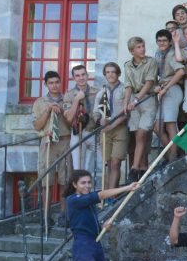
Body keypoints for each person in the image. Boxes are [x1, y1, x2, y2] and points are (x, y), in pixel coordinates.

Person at [33, 71, 73, 217]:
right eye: (51, 83)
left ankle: (64, 214)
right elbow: (37, 126)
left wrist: (62, 110)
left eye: (57, 82)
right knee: (46, 181)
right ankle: (46, 216)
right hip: (48, 142)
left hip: (64, 140)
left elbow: (72, 123)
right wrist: (48, 110)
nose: (54, 85)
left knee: (65, 179)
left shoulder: (68, 99)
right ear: (45, 84)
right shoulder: (40, 102)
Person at [123, 36, 158, 182]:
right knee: (138, 135)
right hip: (134, 100)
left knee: (143, 133)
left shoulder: (151, 61)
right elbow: (128, 85)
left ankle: (134, 168)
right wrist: (126, 103)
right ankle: (141, 168)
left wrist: (137, 100)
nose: (142, 49)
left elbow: (150, 82)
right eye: (138, 47)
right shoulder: (127, 65)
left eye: (143, 46)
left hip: (147, 98)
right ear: (132, 51)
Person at [92, 62, 129, 194]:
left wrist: (112, 125)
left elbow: (126, 113)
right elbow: (95, 112)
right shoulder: (101, 92)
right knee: (108, 163)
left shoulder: (125, 89)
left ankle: (111, 197)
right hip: (105, 130)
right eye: (107, 72)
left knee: (115, 162)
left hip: (120, 129)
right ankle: (108, 193)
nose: (110, 74)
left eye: (113, 72)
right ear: (105, 74)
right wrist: (98, 120)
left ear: (118, 74)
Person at [153, 29, 185, 160]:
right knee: (157, 127)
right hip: (163, 90)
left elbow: (181, 72)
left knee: (170, 124)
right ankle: (170, 154)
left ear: (170, 41)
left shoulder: (172, 54)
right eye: (159, 40)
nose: (162, 43)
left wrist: (166, 87)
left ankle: (172, 157)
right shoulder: (157, 53)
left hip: (172, 90)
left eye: (164, 40)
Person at [63, 64, 97, 172]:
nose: (81, 78)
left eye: (83, 74)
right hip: (78, 133)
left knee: (96, 168)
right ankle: (80, 189)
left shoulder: (97, 92)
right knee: (78, 170)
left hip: (94, 133)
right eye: (77, 76)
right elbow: (69, 118)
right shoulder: (69, 95)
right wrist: (76, 100)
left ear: (87, 75)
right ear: (74, 78)